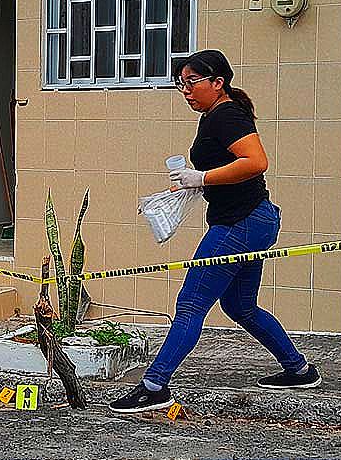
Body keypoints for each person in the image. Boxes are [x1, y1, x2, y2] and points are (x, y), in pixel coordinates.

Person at [109, 49, 322, 414]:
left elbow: (256, 162)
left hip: (240, 222)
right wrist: (193, 184)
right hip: (255, 219)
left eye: (192, 82)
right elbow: (228, 168)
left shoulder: (225, 115)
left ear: (218, 82)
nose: (186, 91)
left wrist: (203, 177)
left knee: (191, 304)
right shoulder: (215, 115)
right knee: (240, 306)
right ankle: (299, 370)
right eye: (181, 84)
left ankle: (154, 385)